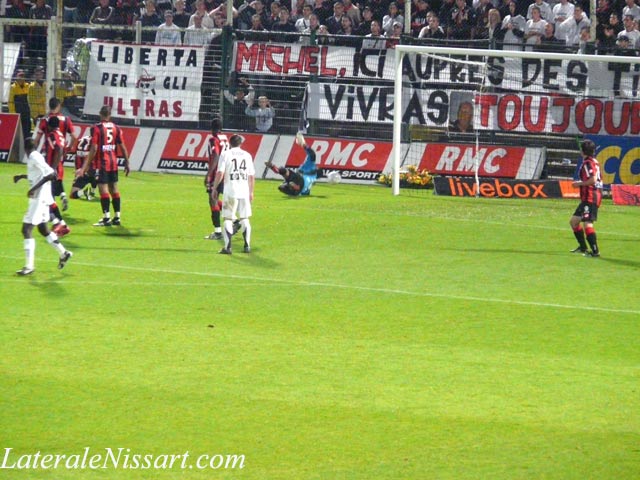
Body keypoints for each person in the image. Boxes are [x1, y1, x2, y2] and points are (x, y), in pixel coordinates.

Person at [13, 138, 73, 276]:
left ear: (25, 148)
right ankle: (64, 253)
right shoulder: (35, 156)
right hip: (43, 198)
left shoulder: (34, 157)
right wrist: (22, 176)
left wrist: (33, 189)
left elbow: (51, 174)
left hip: (39, 199)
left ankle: (29, 266)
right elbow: (38, 175)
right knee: (43, 229)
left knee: (26, 229)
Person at [79, 105, 131, 227]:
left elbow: (94, 148)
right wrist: (127, 162)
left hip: (102, 163)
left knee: (103, 189)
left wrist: (85, 167)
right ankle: (117, 217)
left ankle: (106, 218)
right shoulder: (116, 128)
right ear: (110, 115)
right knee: (114, 188)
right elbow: (122, 146)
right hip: (113, 163)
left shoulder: (97, 128)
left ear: (100, 114)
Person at [211, 135, 255, 254]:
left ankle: (227, 247)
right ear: (240, 143)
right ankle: (247, 246)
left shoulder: (226, 154)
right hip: (244, 191)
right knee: (244, 218)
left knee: (228, 218)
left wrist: (214, 188)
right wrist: (251, 192)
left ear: (230, 143)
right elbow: (251, 176)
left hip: (231, 191)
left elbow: (220, 172)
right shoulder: (247, 155)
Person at [34, 97, 79, 212]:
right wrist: (69, 148)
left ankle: (51, 209)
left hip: (48, 152)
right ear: (59, 106)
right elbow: (74, 137)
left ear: (49, 106)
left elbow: (37, 139)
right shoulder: (66, 119)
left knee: (48, 178)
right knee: (56, 175)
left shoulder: (45, 120)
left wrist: (33, 153)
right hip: (60, 152)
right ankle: (62, 196)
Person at [570, 139, 602, 257]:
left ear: (582, 151)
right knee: (574, 222)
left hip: (591, 197)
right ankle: (583, 247)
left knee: (587, 224)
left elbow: (593, 180)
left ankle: (595, 252)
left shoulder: (588, 163)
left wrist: (579, 184)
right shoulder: (593, 161)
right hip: (588, 197)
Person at [44, 116, 72, 237]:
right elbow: (62, 149)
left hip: (53, 169)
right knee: (49, 198)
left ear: (50, 125)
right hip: (58, 167)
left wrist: (52, 168)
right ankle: (60, 224)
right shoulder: (60, 134)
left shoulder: (52, 135)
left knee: (47, 199)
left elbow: (59, 149)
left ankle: (59, 224)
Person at [265, 132, 317, 196]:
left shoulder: (309, 166)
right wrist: (303, 145)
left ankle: (294, 186)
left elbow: (312, 155)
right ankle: (293, 186)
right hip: (299, 184)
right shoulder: (308, 167)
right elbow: (312, 154)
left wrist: (303, 144)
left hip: (300, 182)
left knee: (284, 179)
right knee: (283, 184)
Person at [204, 117, 230, 240]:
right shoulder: (225, 138)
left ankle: (218, 231)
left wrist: (209, 174)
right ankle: (234, 219)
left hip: (216, 173)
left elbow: (216, 155)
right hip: (225, 172)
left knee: (212, 199)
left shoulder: (213, 139)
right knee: (215, 198)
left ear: (211, 128)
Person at [69, 133, 97, 201]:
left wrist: (78, 169)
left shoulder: (81, 139)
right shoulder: (96, 141)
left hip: (82, 170)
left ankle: (88, 192)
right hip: (92, 169)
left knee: (72, 195)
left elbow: (77, 156)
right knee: (97, 177)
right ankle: (90, 192)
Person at [9, 69, 31, 141]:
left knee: (27, 130)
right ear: (16, 76)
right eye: (20, 76)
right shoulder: (13, 87)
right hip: (18, 113)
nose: (21, 78)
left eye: (23, 76)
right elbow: (11, 102)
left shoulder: (28, 86)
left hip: (26, 112)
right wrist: (13, 114)